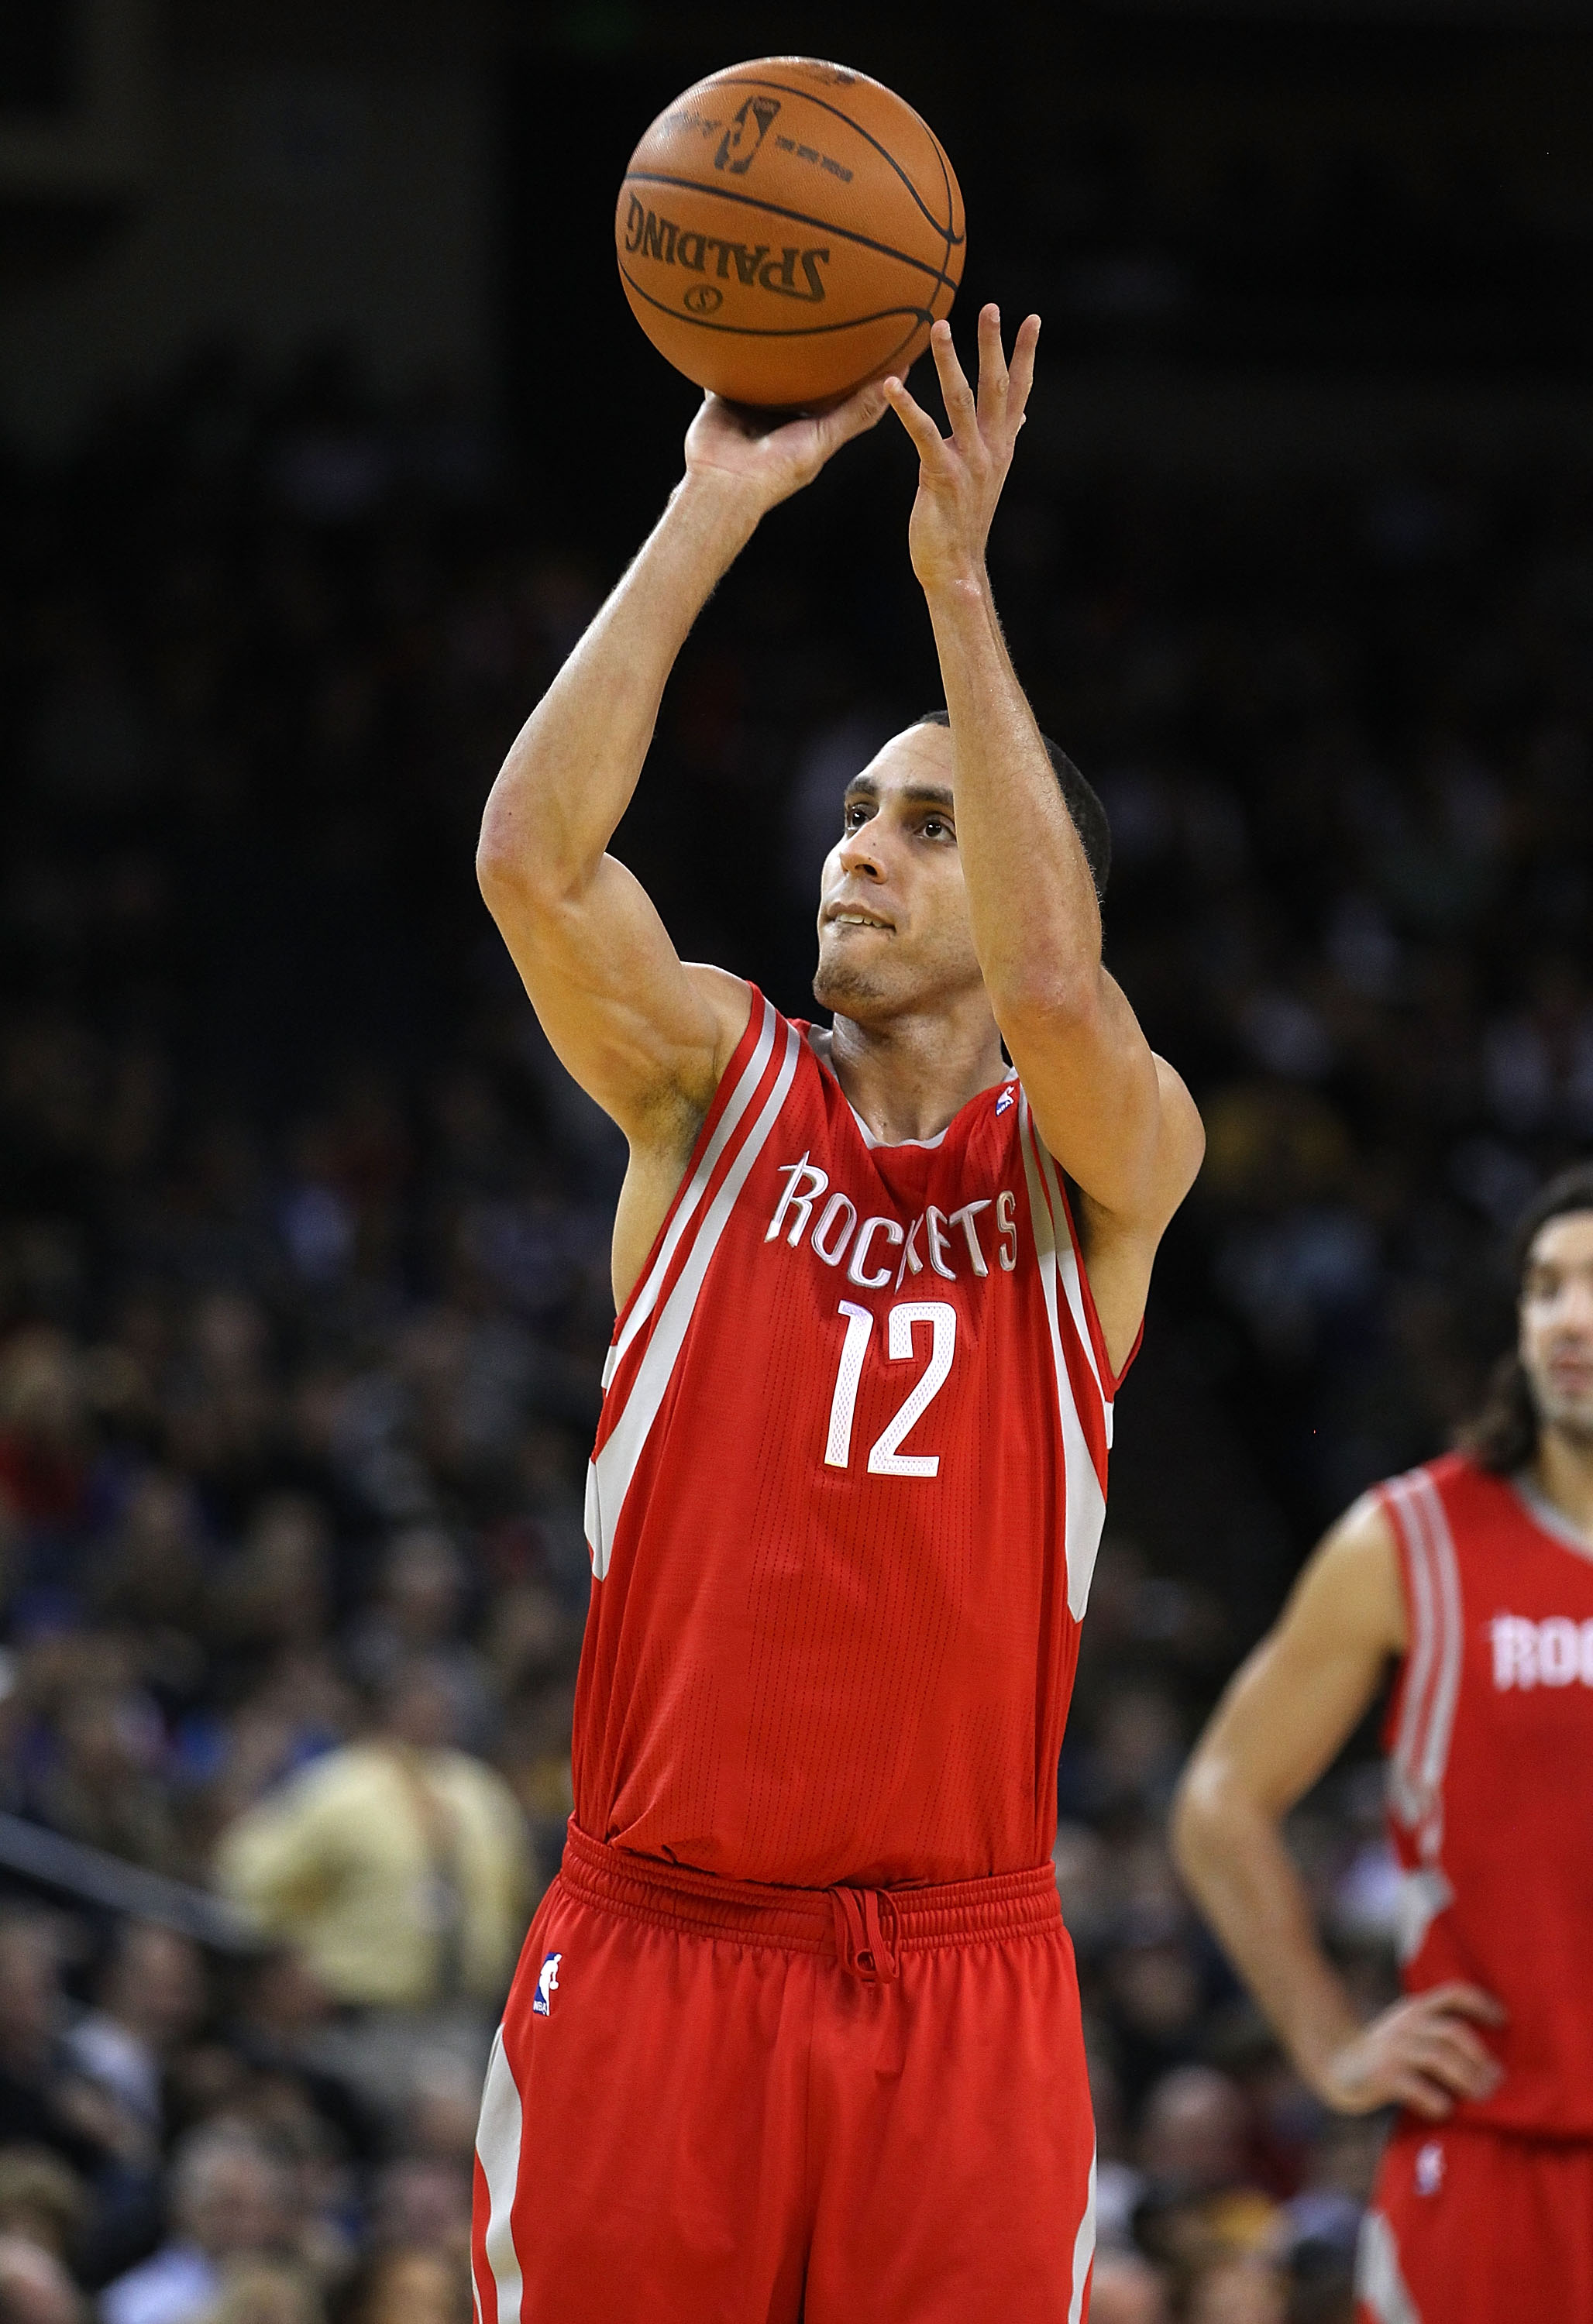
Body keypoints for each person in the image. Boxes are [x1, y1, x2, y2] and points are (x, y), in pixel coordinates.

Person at [469, 307, 1203, 2323]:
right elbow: (534, 860)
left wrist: (959, 585)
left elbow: (1058, 1006)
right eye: (859, 814)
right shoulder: (711, 1085)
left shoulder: (1105, 1163)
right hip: (656, 1953)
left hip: (963, 1987)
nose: (861, 850)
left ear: (1034, 876)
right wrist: (707, 512)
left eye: (930, 821)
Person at [1172, 1164, 1593, 2322]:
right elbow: (1218, 1798)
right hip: (1492, 2163)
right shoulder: (1412, 1540)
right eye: (1548, 1286)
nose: (1573, 1317)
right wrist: (1329, 2045)